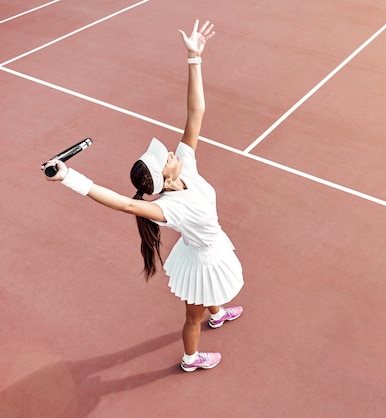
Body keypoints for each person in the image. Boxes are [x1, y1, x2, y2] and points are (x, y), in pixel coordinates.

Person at [44, 20, 244, 373]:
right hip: (204, 260)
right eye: (164, 158)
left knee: (208, 302)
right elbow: (120, 202)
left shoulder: (184, 165)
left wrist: (193, 58)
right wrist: (68, 176)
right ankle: (190, 358)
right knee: (191, 316)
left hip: (211, 246)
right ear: (162, 179)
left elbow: (196, 112)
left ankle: (217, 313)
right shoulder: (167, 208)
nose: (170, 153)